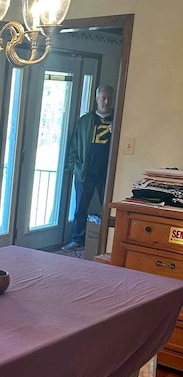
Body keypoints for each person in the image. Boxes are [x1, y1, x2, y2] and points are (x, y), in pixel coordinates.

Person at [62, 84, 115, 251]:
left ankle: (106, 242)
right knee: (80, 207)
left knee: (107, 207)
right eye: (102, 98)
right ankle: (77, 239)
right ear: (97, 99)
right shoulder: (85, 121)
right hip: (85, 171)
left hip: (107, 172)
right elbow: (74, 145)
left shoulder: (119, 119)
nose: (105, 101)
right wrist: (73, 167)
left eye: (108, 98)